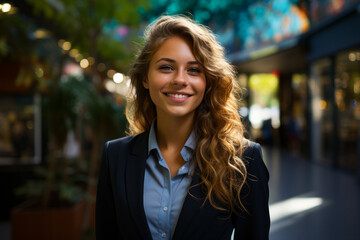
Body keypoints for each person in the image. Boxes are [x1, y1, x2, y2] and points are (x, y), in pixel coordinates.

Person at [96, 15, 270, 240]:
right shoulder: (114, 156)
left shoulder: (244, 160)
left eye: (194, 70)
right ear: (145, 78)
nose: (180, 79)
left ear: (208, 82)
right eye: (166, 67)